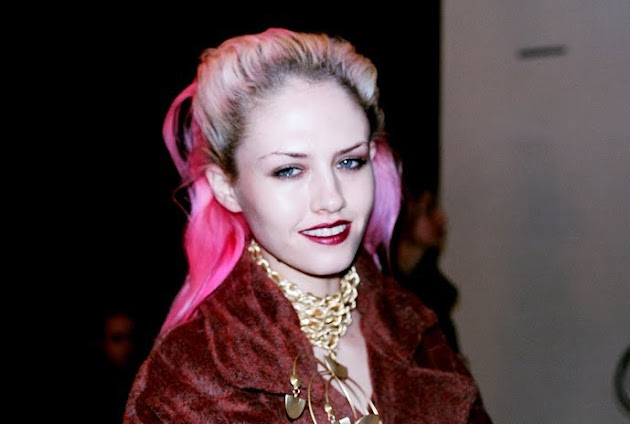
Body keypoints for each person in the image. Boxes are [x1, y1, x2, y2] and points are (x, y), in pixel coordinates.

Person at [125, 28, 492, 423]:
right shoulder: (189, 376)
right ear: (227, 187)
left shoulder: (416, 328)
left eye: (349, 162)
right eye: (289, 170)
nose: (331, 199)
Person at [390, 180, 462, 354]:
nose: (441, 218)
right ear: (406, 214)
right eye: (428, 210)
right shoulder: (383, 288)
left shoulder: (438, 294)